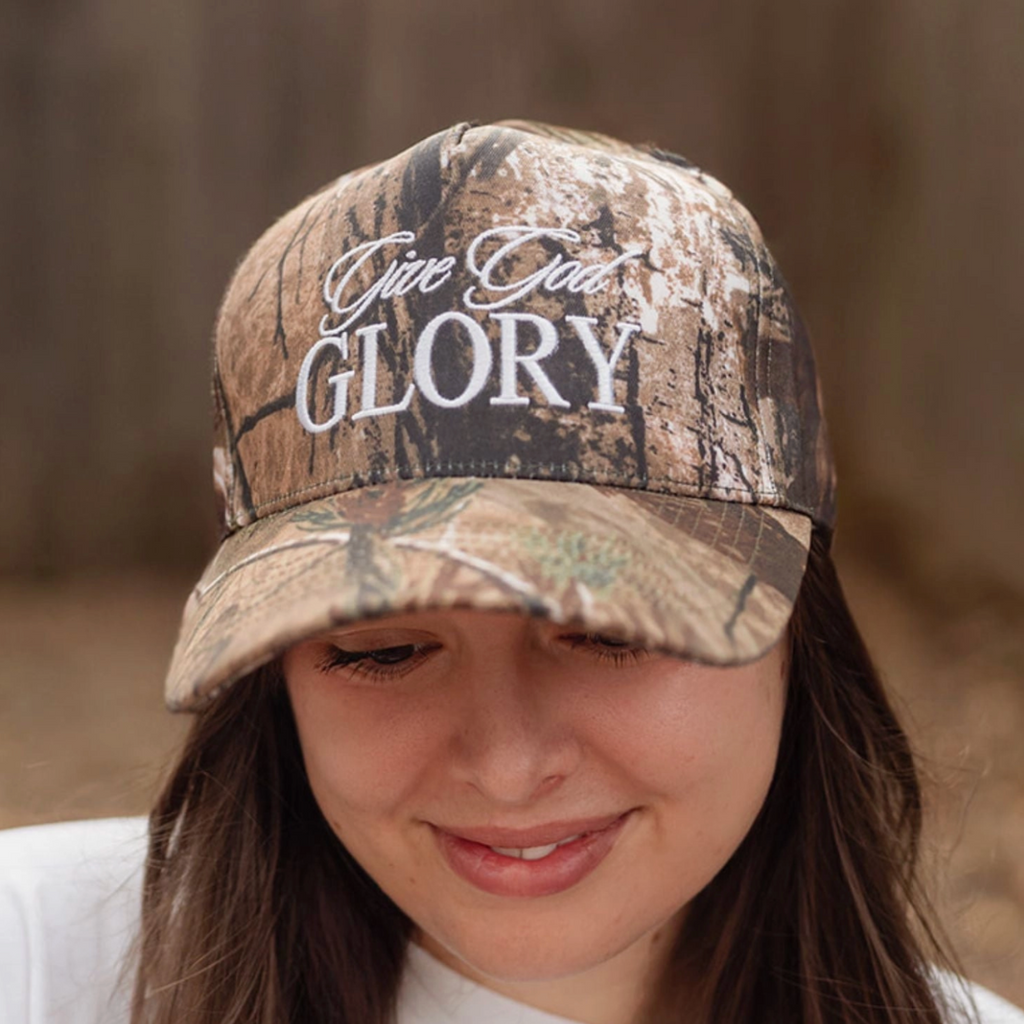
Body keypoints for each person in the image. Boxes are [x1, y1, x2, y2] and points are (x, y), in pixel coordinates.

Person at [2, 120, 1022, 1024]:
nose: (504, 764)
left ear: (801, 627)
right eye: (381, 648)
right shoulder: (38, 960)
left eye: (613, 629)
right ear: (272, 677)